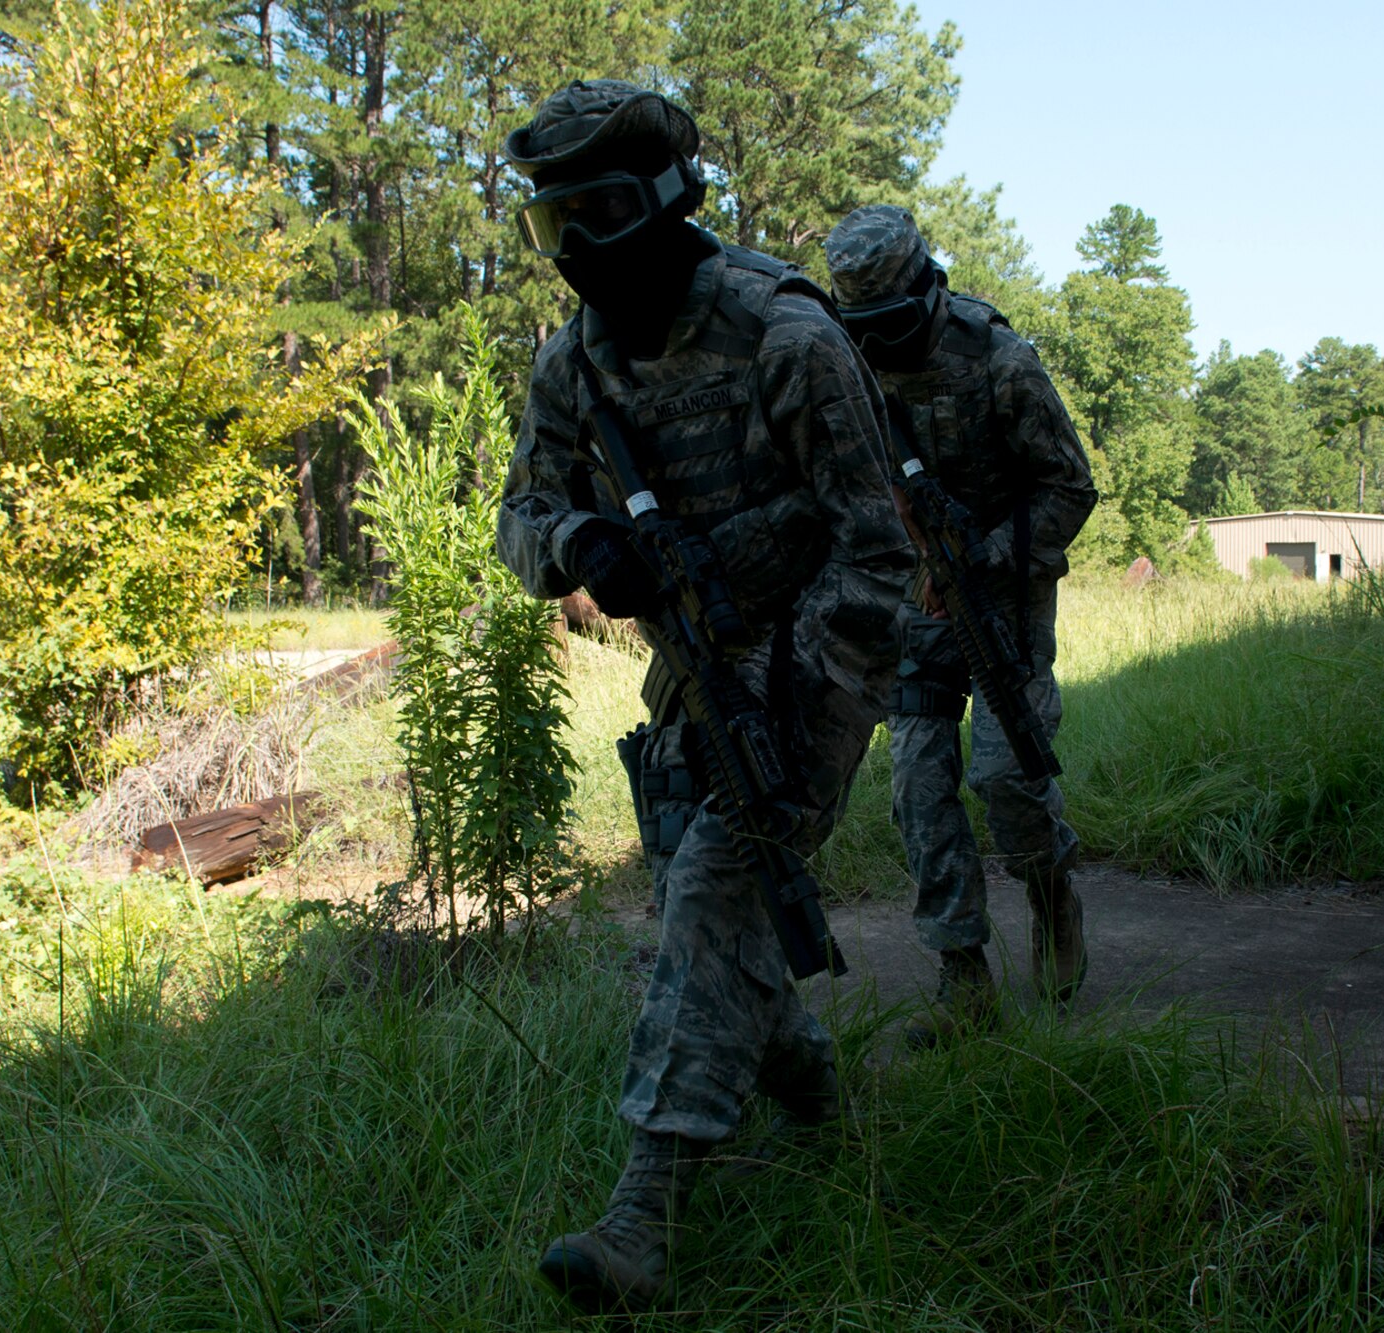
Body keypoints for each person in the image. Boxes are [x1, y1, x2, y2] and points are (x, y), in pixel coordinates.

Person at [496, 80, 912, 1313]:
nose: (574, 253)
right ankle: (813, 1087)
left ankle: (646, 1213)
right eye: (547, 227)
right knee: (715, 908)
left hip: (809, 664)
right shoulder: (577, 365)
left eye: (600, 213)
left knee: (715, 891)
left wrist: (811, 711)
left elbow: (879, 551)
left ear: (673, 205)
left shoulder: (783, 335)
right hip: (690, 669)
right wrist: (577, 543)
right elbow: (516, 517)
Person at [822, 205, 1097, 1046]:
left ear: (929, 291)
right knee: (916, 783)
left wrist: (981, 556)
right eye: (860, 328)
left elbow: (1068, 487)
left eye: (893, 325)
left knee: (1007, 778)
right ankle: (962, 974)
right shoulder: (847, 370)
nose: (879, 344)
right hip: (913, 601)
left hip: (1001, 594)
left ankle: (1051, 891)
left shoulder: (998, 359)